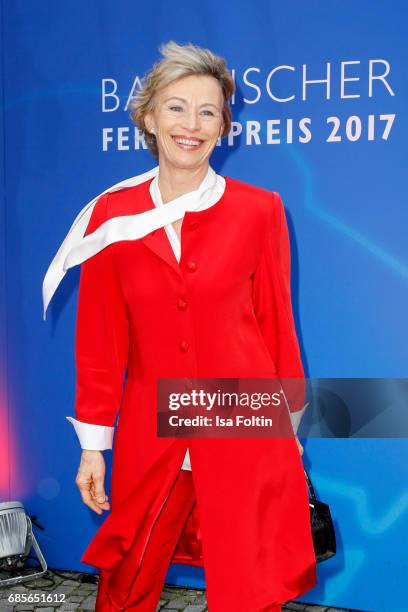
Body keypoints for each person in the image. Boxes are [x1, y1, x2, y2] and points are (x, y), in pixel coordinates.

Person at [43, 40, 316, 611]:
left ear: (224, 127)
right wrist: (94, 446)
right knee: (128, 575)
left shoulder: (260, 209)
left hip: (244, 418)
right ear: (147, 116)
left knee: (247, 581)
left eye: (208, 111)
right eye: (176, 107)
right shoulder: (111, 216)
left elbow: (277, 327)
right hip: (152, 426)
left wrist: (289, 433)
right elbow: (99, 340)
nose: (191, 124)